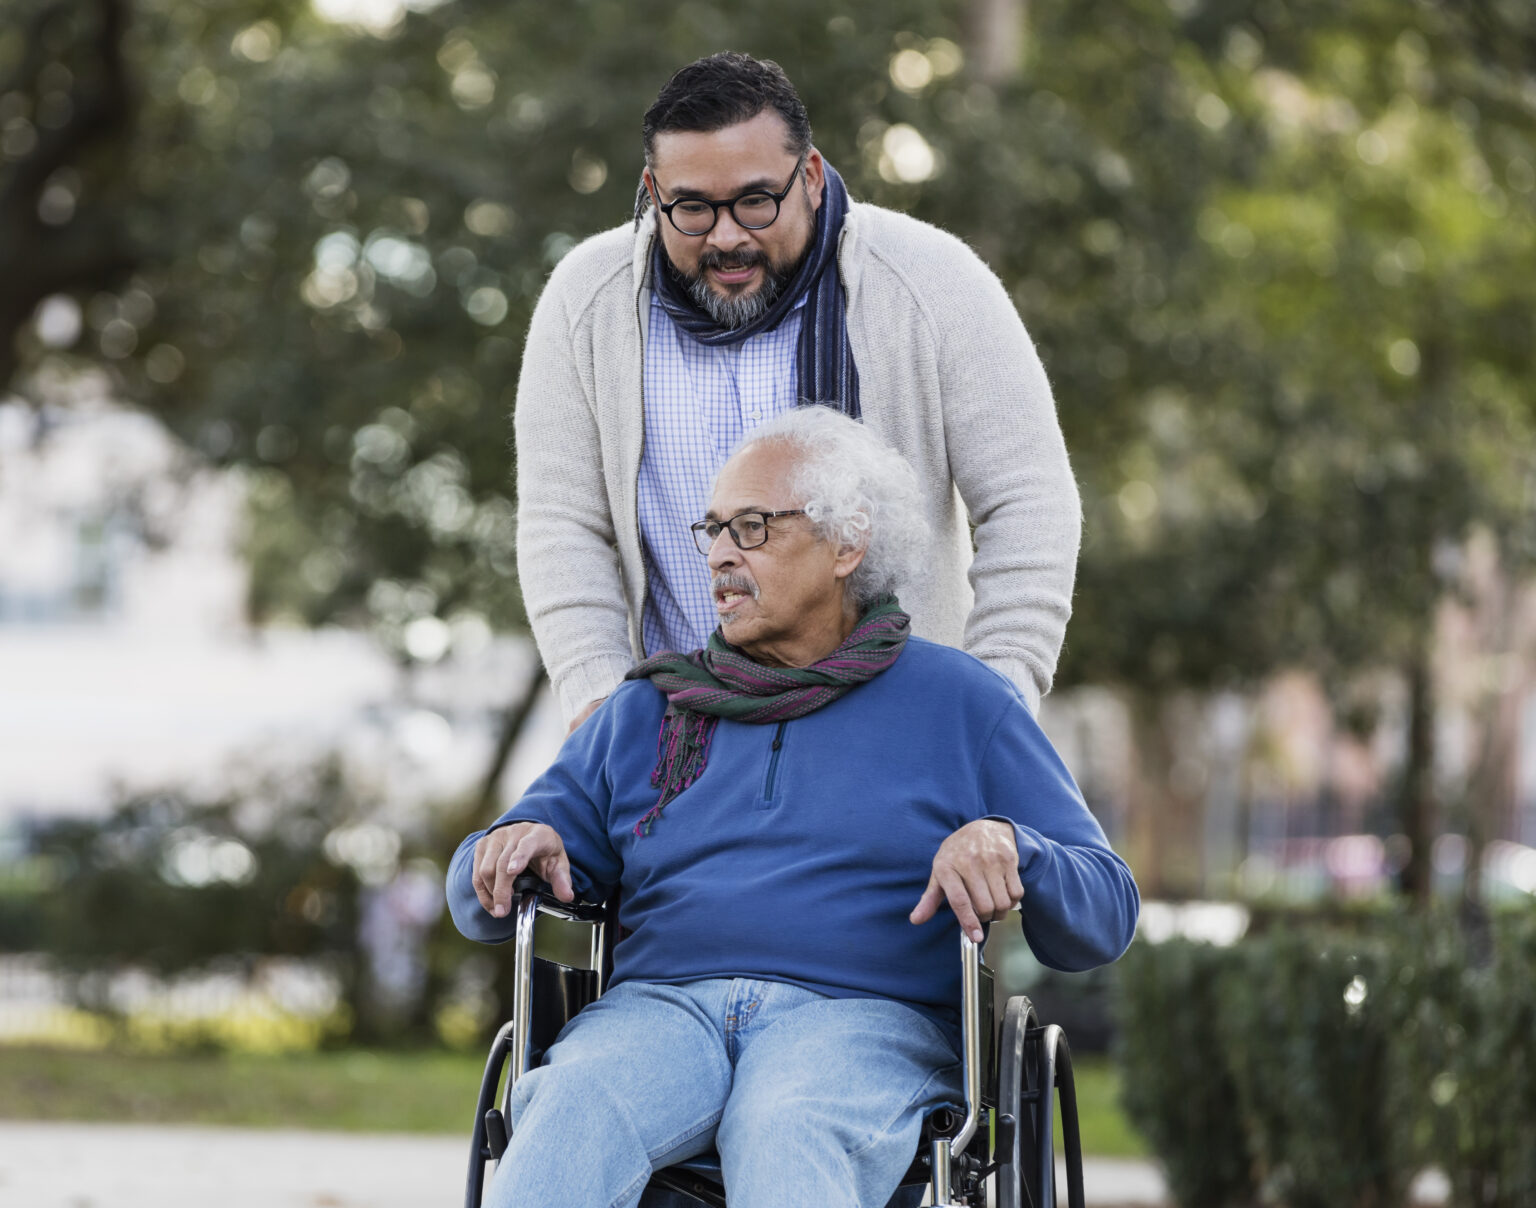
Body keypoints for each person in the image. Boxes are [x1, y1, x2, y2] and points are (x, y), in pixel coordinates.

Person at [449, 409, 1137, 1208]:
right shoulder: (650, 710)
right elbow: (478, 896)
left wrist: (1018, 849)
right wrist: (504, 853)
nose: (719, 556)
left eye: (752, 527)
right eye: (712, 530)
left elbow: (1105, 910)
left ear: (848, 545)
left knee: (787, 1125)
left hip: (864, 1022)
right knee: (569, 1108)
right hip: (661, 1014)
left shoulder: (959, 702)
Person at [514, 51, 1081, 733]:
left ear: (809, 176)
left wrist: (996, 699)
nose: (726, 236)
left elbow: (1029, 500)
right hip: (679, 747)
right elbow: (562, 526)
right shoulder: (587, 303)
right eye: (692, 208)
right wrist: (599, 704)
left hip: (894, 736)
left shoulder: (936, 282)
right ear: (652, 191)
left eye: (755, 201)